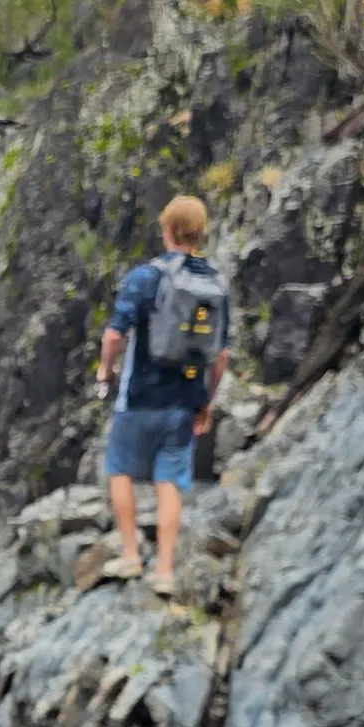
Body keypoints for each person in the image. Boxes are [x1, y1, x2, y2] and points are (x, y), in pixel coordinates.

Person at [96, 194, 231, 599]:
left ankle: (133, 555)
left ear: (168, 229)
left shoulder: (147, 278)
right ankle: (166, 571)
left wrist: (106, 370)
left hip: (139, 397)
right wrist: (206, 400)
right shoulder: (215, 283)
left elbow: (116, 334)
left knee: (120, 470)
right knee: (169, 481)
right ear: (200, 232)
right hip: (184, 400)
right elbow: (221, 356)